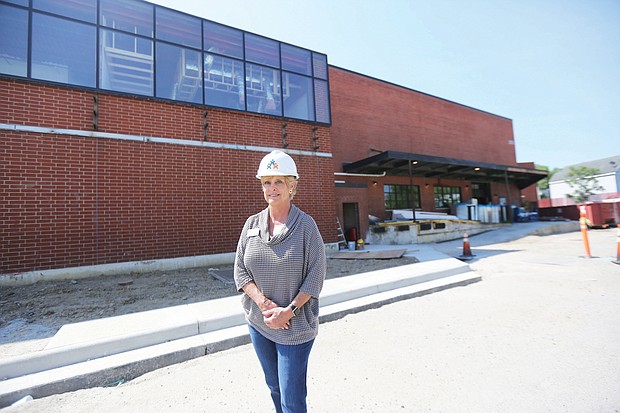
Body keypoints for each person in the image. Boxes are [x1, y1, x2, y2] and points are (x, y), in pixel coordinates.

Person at [234, 150, 326, 413]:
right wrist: (264, 304)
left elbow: (316, 276)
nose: (271, 188)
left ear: (292, 185)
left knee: (292, 399)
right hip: (260, 323)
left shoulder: (306, 226)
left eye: (278, 182)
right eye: (266, 182)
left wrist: (288, 311)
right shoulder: (252, 224)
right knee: (274, 387)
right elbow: (240, 272)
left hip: (294, 328)